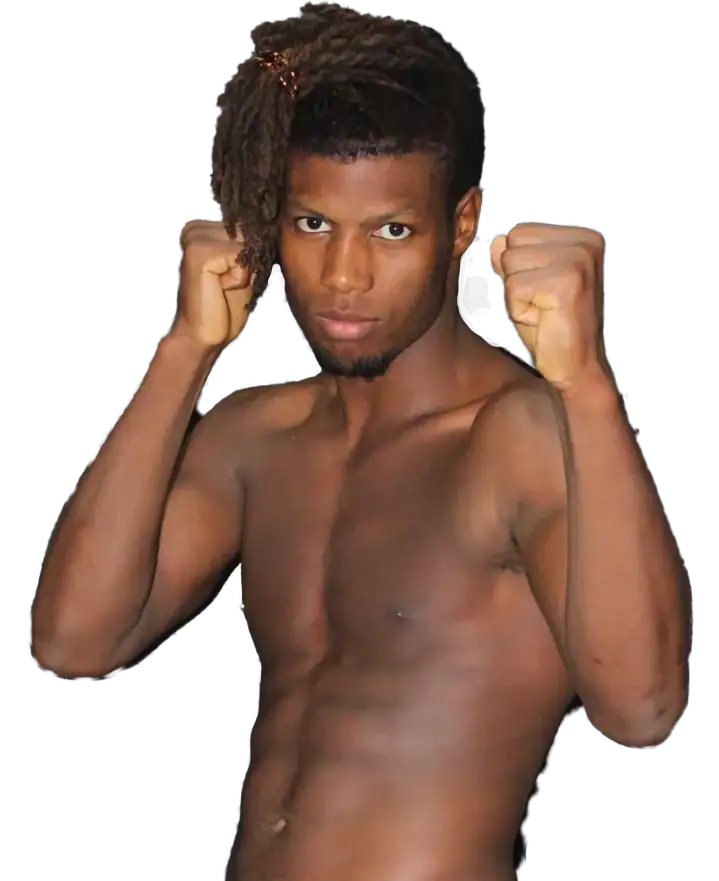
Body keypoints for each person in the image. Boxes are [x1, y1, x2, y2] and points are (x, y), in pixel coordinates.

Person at [29, 2, 690, 879]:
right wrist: (185, 347)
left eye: (391, 230)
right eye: (312, 224)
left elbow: (641, 710)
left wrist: (589, 386)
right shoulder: (256, 439)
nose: (343, 276)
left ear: (462, 223)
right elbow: (74, 642)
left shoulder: (518, 438)